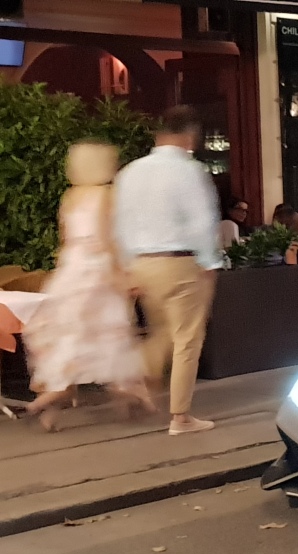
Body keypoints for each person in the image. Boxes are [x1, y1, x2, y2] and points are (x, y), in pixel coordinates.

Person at [21, 141, 159, 432]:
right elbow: (108, 239)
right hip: (98, 271)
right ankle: (132, 396)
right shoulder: (106, 195)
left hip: (71, 270)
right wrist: (122, 275)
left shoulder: (70, 197)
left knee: (69, 337)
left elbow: (65, 240)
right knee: (113, 336)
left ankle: (53, 397)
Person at [114, 105, 220, 436]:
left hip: (142, 264)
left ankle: (134, 382)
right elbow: (202, 221)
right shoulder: (190, 171)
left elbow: (119, 222)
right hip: (181, 262)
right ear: (189, 136)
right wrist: (211, 262)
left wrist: (127, 266)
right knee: (187, 338)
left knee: (160, 332)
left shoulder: (130, 172)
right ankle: (181, 417)